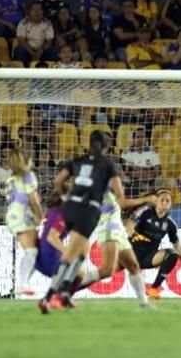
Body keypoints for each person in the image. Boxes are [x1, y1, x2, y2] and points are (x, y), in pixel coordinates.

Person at [42, 130, 154, 311]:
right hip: (108, 224)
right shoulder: (105, 170)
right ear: (107, 146)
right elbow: (121, 199)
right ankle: (66, 293)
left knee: (133, 265)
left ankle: (144, 303)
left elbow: (60, 182)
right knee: (107, 270)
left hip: (116, 224)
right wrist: (147, 199)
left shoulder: (85, 168)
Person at [126, 189, 181, 300]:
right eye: (162, 200)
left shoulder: (170, 224)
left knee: (173, 254)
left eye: (167, 201)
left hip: (148, 258)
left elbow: (178, 246)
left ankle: (153, 288)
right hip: (131, 255)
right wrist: (135, 235)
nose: (164, 203)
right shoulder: (145, 212)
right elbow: (129, 225)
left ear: (171, 204)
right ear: (156, 201)